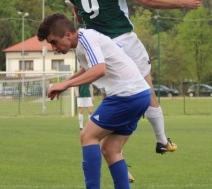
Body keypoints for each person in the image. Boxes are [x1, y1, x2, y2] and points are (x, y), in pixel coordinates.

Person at [68, 0, 203, 154]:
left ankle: (114, 152)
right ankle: (161, 140)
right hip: (124, 42)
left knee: (112, 99)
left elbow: (81, 19)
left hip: (100, 48)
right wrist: (185, 3)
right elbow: (148, 0)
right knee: (146, 91)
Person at [37, 13, 151, 189]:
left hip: (126, 95)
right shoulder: (83, 43)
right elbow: (88, 68)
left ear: (67, 34)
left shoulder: (87, 38)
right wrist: (66, 83)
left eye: (53, 42)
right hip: (140, 95)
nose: (53, 47)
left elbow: (99, 70)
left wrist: (65, 84)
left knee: (88, 136)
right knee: (110, 150)